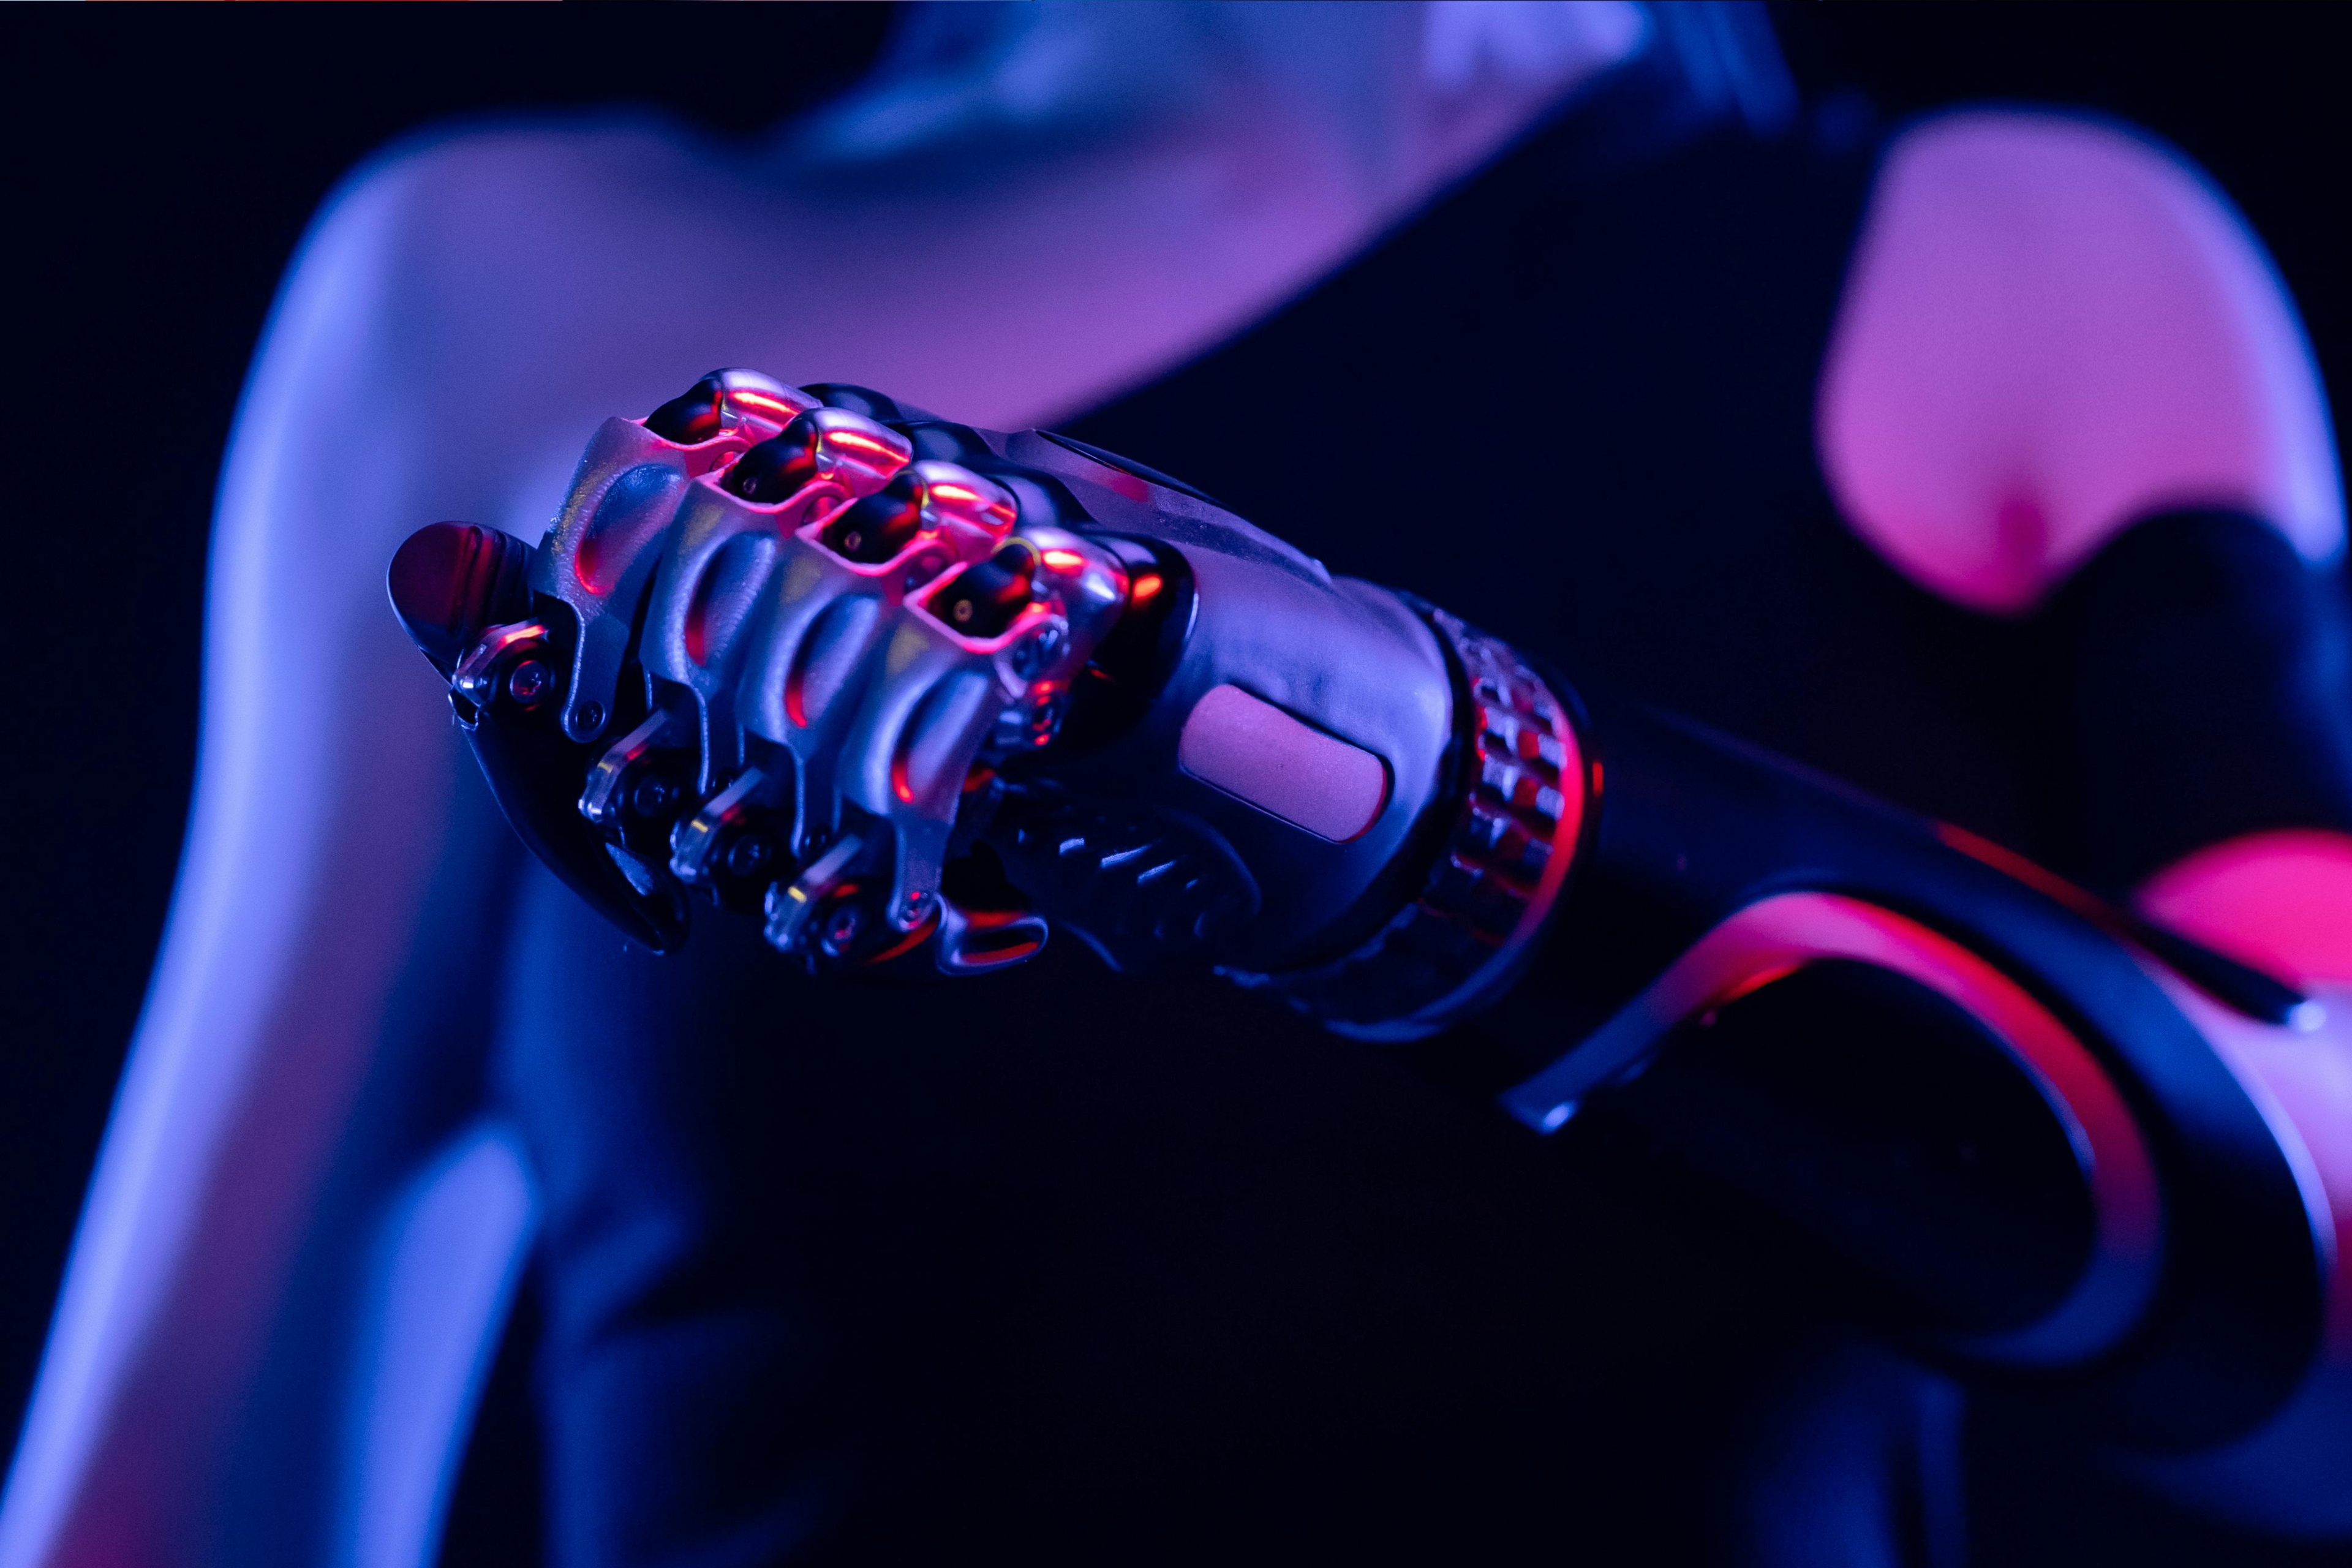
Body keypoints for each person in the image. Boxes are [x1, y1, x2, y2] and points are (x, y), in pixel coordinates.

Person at [7, 6, 2351, 1566]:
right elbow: (169, 1509)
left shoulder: (2030, 274)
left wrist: (1391, 789)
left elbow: (2331, 1300)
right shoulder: (499, 293)